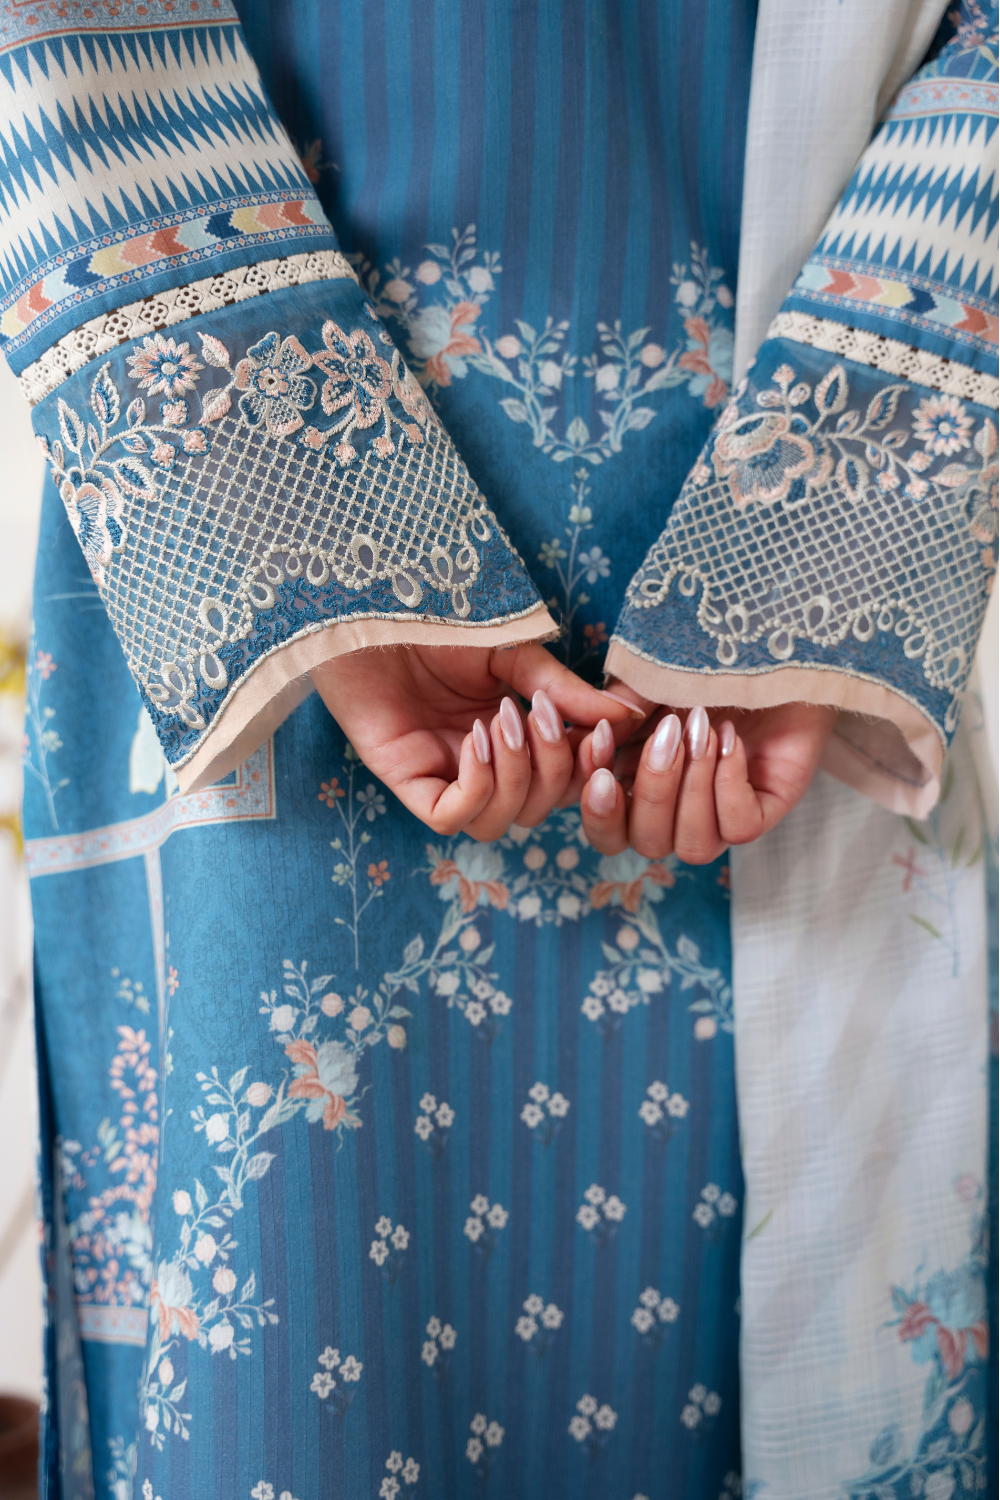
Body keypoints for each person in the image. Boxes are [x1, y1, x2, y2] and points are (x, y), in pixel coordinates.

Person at [11, 1, 994, 1495]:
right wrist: (314, 543)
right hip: (274, 584)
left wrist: (816, 557)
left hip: (800, 476)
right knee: (302, 1310)